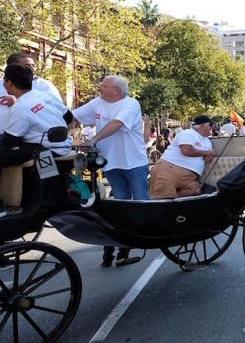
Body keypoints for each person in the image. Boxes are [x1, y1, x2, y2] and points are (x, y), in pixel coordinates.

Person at [73, 75, 148, 268]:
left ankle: (143, 236)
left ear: (116, 91)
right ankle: (122, 245)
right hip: (111, 162)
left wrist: (94, 139)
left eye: (104, 86)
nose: (100, 87)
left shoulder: (131, 104)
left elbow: (116, 124)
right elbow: (73, 115)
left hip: (133, 161)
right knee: (121, 202)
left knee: (140, 200)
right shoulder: (98, 102)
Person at [0, 64, 72, 174]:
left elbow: (11, 141)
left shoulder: (20, 107)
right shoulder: (44, 95)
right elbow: (69, 117)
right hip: (64, 145)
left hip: (42, 149)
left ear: (9, 83)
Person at [148, 116, 215, 199]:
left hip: (190, 176)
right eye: (211, 124)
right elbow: (186, 150)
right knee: (163, 200)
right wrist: (207, 153)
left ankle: (174, 201)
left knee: (195, 190)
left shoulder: (207, 141)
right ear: (203, 125)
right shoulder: (187, 133)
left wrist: (209, 156)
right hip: (169, 170)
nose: (213, 127)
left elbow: (209, 156)